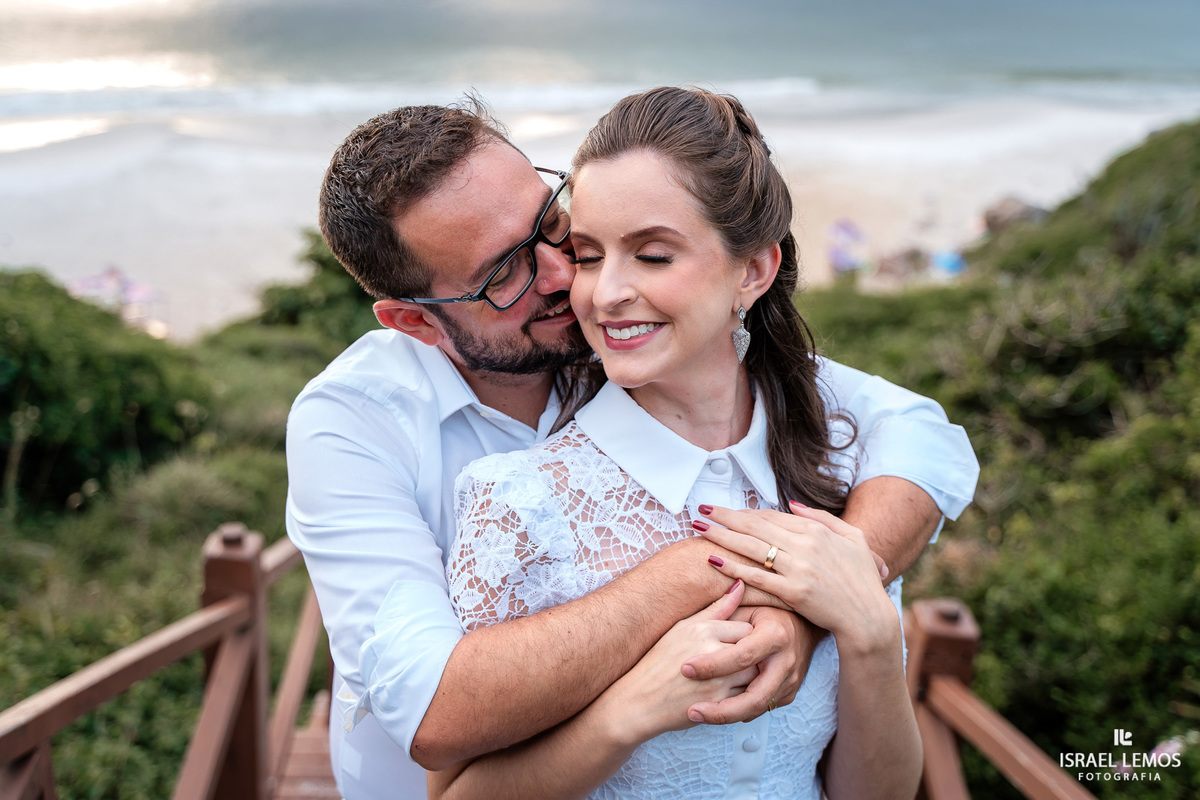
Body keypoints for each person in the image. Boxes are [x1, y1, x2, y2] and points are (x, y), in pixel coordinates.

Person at [287, 98, 979, 798]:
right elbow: (434, 708)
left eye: (554, 226)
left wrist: (824, 602)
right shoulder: (352, 423)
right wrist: (716, 567)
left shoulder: (650, 350)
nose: (568, 278)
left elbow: (914, 429)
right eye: (505, 276)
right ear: (415, 322)